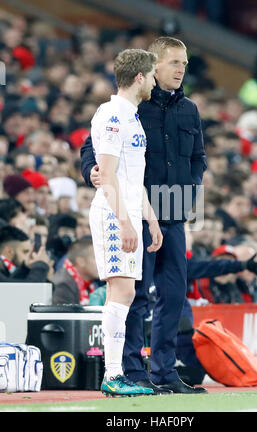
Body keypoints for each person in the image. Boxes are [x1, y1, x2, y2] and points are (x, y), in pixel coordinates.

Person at [81, 37, 208, 394]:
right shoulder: (132, 107)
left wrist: (189, 189)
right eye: (174, 63)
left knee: (173, 294)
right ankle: (132, 371)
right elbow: (93, 148)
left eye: (185, 63)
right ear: (151, 68)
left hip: (169, 211)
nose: (181, 69)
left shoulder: (190, 110)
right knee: (132, 293)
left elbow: (199, 157)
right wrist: (92, 169)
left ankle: (166, 373)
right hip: (131, 209)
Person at [88, 48, 162, 397]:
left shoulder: (132, 115)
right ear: (139, 78)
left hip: (129, 211)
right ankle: (112, 374)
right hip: (112, 212)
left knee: (127, 291)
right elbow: (108, 172)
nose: (154, 80)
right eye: (152, 74)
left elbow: (134, 177)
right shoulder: (113, 114)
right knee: (121, 290)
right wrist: (125, 221)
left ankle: (115, 374)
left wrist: (150, 218)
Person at [52, 236, 99, 305]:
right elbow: (64, 315)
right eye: (95, 258)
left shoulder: (92, 284)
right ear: (81, 261)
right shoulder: (64, 285)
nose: (100, 263)